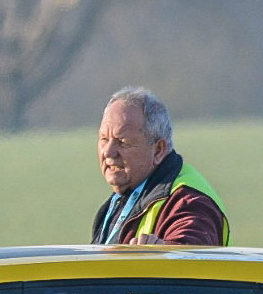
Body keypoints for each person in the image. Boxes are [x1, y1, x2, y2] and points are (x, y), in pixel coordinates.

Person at [92, 87, 229, 246]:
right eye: (104, 139)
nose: (108, 152)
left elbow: (190, 254)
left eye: (122, 142)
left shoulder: (189, 202)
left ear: (158, 150)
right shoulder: (122, 198)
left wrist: (160, 255)